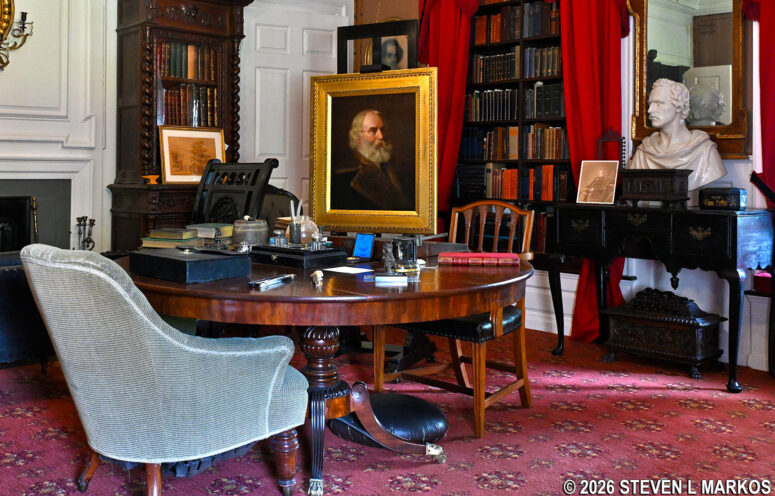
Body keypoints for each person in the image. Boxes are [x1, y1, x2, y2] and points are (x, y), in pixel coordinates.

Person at [628, 78, 726, 191]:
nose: (650, 110)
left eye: (659, 103)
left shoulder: (705, 152)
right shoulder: (644, 152)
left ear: (679, 106)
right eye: (650, 104)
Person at [331, 109, 413, 211]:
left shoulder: (392, 167)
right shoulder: (345, 174)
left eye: (382, 130)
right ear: (357, 137)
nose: (381, 136)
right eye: (372, 131)